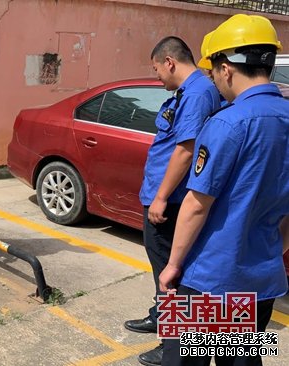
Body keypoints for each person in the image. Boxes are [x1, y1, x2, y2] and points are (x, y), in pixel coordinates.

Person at [158, 14, 289, 365]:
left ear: (226, 68)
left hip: (210, 280)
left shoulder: (227, 122)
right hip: (262, 278)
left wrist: (172, 265)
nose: (214, 80)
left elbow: (197, 205)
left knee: (183, 360)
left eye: (213, 71)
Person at [124, 37, 221, 366]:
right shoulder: (189, 92)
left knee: (171, 276)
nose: (157, 78)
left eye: (156, 70)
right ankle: (160, 318)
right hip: (162, 196)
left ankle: (172, 345)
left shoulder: (197, 93)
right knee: (162, 271)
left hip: (173, 201)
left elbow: (186, 149)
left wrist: (162, 197)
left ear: (170, 61)